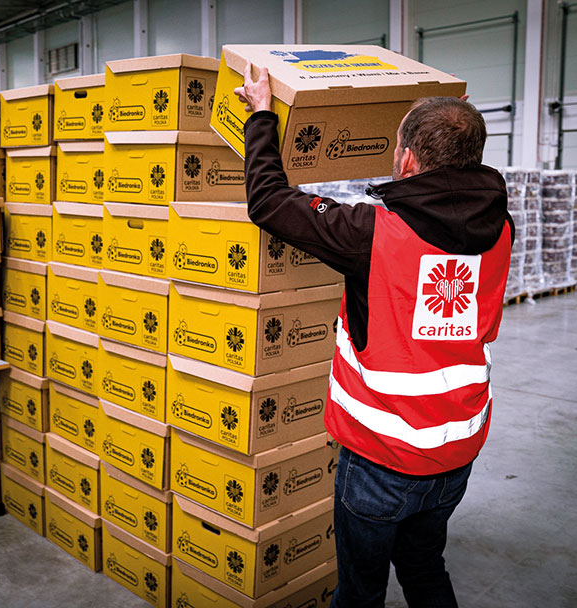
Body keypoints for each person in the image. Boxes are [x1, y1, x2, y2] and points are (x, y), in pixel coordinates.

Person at [235, 65, 512, 608]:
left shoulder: (372, 232)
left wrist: (263, 114)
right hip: (456, 453)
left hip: (383, 461)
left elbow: (268, 201)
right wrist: (452, 121)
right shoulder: (499, 229)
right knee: (425, 568)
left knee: (359, 592)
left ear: (407, 158)